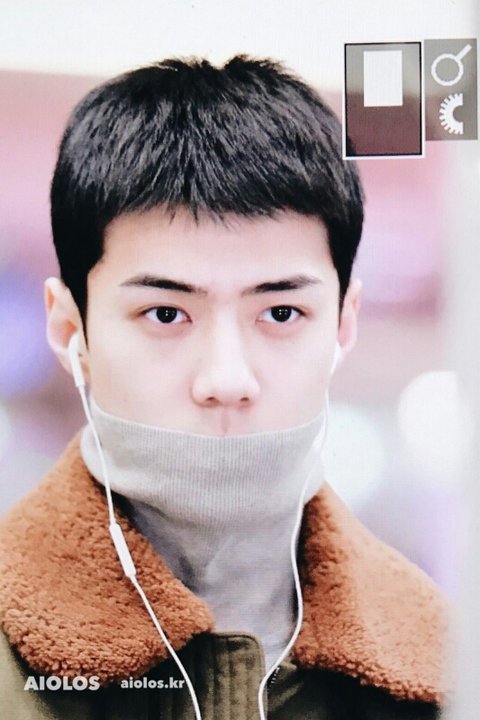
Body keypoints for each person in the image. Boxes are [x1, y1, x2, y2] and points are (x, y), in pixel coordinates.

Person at [0, 56, 448, 719]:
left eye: (281, 313)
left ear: (343, 324)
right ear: (72, 330)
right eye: (165, 314)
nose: (227, 380)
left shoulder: (444, 664)